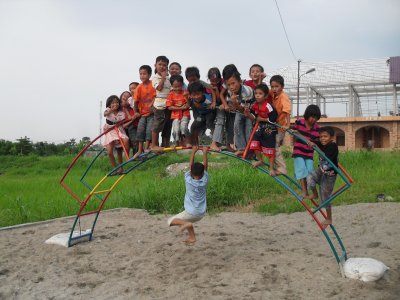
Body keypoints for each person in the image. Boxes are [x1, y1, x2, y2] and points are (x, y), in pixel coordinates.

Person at [168, 145, 209, 244]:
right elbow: (205, 167)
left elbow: (191, 166)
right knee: (187, 222)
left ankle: (187, 224)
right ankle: (192, 237)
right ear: (203, 173)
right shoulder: (204, 180)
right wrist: (204, 152)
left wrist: (193, 152)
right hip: (201, 213)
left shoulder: (188, 180)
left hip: (191, 212)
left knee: (170, 221)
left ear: (191, 172)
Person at [306, 126, 338, 225]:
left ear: (332, 137)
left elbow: (326, 156)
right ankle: (315, 194)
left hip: (330, 175)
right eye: (321, 137)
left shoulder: (333, 146)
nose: (323, 139)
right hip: (321, 171)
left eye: (325, 136)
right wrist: (313, 143)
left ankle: (329, 218)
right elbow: (313, 140)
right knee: (310, 179)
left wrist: (316, 146)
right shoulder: (321, 142)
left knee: (325, 197)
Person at [244, 84, 278, 175]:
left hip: (270, 128)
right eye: (256, 93)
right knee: (254, 143)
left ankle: (271, 168)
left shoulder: (268, 106)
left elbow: (273, 119)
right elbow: (254, 117)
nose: (257, 95)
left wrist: (262, 119)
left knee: (270, 148)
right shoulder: (254, 105)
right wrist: (248, 114)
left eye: (260, 93)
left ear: (266, 96)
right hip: (259, 127)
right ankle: (260, 160)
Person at [292, 104, 321, 198]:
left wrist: (314, 144)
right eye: (312, 117)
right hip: (298, 151)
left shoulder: (317, 128)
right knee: (301, 170)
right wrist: (300, 135)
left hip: (309, 154)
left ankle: (315, 193)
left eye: (316, 118)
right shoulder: (299, 122)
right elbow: (294, 133)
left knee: (310, 172)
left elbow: (317, 142)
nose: (313, 119)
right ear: (307, 115)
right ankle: (305, 192)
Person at [223, 68, 255, 156]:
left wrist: (235, 103)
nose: (231, 87)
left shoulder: (247, 91)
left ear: (240, 81)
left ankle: (250, 150)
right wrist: (233, 104)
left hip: (251, 112)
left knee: (248, 128)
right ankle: (241, 148)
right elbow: (234, 109)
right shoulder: (230, 92)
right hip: (240, 109)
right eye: (229, 85)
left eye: (233, 83)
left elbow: (243, 110)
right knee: (236, 126)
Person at [133, 65, 156, 159]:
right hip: (142, 114)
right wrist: (136, 112)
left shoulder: (153, 84)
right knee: (140, 130)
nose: (142, 76)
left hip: (151, 113)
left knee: (149, 130)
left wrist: (152, 106)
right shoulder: (139, 87)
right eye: (140, 74)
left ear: (149, 74)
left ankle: (146, 148)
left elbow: (156, 96)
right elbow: (135, 101)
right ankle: (139, 150)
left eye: (144, 74)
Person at [102, 95, 130, 173]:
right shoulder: (108, 110)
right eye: (113, 103)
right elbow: (105, 114)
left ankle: (127, 157)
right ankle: (116, 168)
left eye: (117, 102)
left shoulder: (121, 112)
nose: (115, 104)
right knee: (110, 152)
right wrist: (111, 109)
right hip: (110, 131)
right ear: (109, 104)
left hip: (119, 130)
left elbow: (123, 123)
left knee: (126, 140)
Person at [270, 75, 291, 175]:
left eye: (276, 86)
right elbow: (262, 90)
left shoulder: (283, 96)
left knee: (275, 146)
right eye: (272, 86)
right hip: (274, 125)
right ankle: (275, 165)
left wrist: (288, 125)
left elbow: (287, 110)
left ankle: (282, 168)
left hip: (280, 127)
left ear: (282, 87)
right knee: (271, 145)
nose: (274, 89)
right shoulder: (273, 94)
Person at [151, 55, 171, 151]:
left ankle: (164, 145)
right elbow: (159, 88)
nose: (162, 67)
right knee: (157, 124)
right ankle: (153, 145)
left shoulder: (168, 79)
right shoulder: (155, 78)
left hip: (167, 104)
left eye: (164, 65)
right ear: (155, 65)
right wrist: (163, 78)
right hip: (159, 104)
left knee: (166, 125)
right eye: (160, 64)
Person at [188, 81, 215, 145]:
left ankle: (215, 142)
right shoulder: (192, 99)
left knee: (209, 124)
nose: (196, 97)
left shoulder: (208, 99)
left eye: (198, 94)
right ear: (191, 95)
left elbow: (213, 107)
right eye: (194, 95)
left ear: (202, 92)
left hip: (209, 113)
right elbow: (189, 104)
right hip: (201, 115)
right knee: (194, 126)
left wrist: (212, 104)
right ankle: (195, 144)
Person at [166, 75, 190, 146]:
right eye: (175, 87)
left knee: (184, 127)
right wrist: (181, 108)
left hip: (185, 114)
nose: (177, 88)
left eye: (179, 86)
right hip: (175, 116)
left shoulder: (185, 93)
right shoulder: (171, 94)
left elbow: (188, 105)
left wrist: (186, 97)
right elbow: (169, 107)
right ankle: (177, 142)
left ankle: (187, 142)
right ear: (172, 85)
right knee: (176, 130)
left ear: (182, 84)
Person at [120, 91, 140, 155]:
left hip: (136, 126)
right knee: (133, 141)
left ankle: (136, 155)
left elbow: (138, 115)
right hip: (124, 130)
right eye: (124, 96)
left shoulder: (132, 107)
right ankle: (130, 157)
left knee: (137, 140)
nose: (126, 98)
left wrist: (137, 116)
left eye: (128, 97)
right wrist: (132, 120)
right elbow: (123, 126)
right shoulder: (119, 110)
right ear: (121, 97)